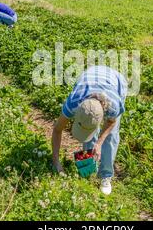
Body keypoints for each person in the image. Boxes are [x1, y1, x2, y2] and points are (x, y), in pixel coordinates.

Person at [52, 65, 128, 195]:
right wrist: (56, 162)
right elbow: (57, 129)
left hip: (116, 81)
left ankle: (105, 175)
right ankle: (89, 169)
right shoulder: (74, 102)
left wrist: (99, 143)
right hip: (90, 76)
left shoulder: (114, 105)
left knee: (111, 137)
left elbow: (111, 122)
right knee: (90, 134)